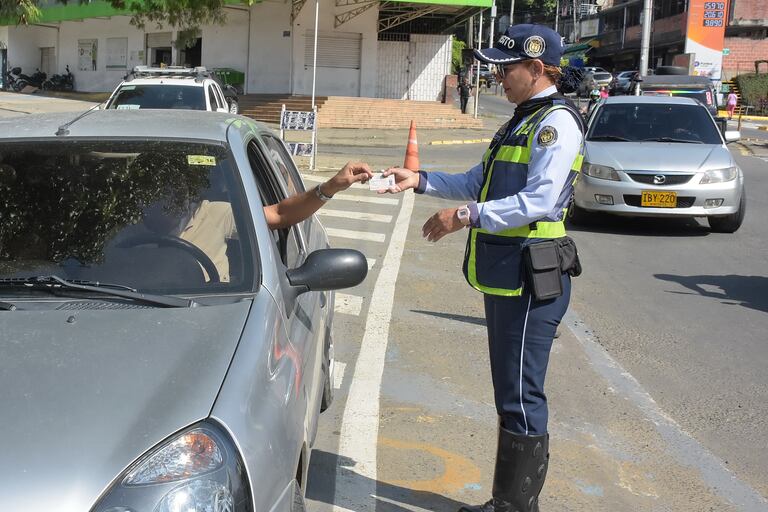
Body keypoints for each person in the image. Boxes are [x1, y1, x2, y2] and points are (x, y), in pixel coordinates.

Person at [379, 24, 584, 512]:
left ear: (537, 69)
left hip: (532, 277)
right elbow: (480, 179)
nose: (499, 76)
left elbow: (538, 201)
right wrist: (421, 179)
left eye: (506, 68)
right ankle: (508, 503)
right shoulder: (523, 118)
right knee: (509, 392)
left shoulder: (556, 124)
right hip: (509, 274)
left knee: (520, 393)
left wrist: (464, 215)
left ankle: (513, 507)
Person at [145, 162, 372, 282]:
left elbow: (280, 214)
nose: (165, 199)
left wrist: (331, 186)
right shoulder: (124, 226)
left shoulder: (213, 214)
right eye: (154, 194)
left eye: (171, 191)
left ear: (186, 192)